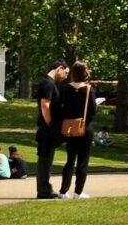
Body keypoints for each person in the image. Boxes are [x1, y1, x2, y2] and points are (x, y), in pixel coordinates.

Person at [57, 61, 98, 199]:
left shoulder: (65, 88)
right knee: (83, 160)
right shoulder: (88, 89)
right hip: (84, 127)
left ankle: (63, 191)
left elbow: (61, 108)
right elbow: (92, 110)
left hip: (69, 126)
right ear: (85, 72)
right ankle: (78, 192)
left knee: (70, 160)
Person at [34, 60, 68, 199]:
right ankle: (43, 190)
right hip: (47, 128)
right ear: (59, 68)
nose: (65, 76)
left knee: (46, 159)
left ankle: (45, 188)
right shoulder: (48, 83)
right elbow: (45, 105)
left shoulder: (48, 83)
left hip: (47, 127)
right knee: (45, 159)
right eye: (65, 73)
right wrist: (51, 125)